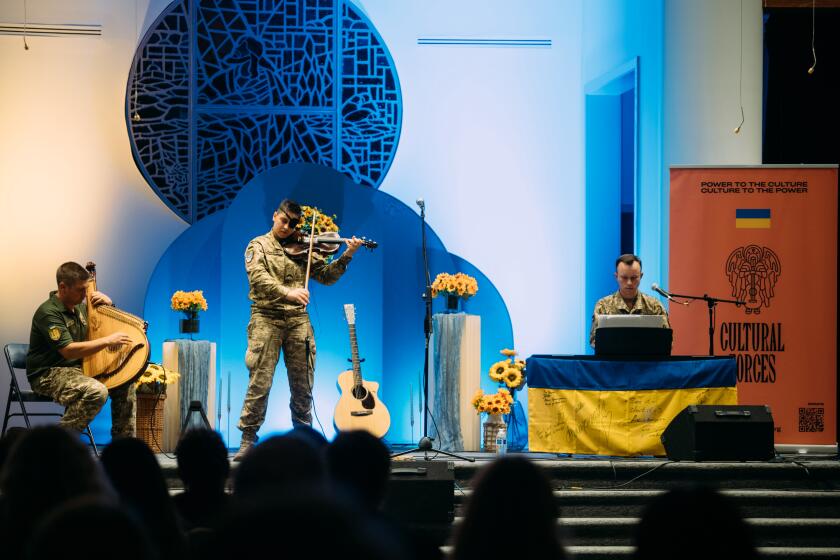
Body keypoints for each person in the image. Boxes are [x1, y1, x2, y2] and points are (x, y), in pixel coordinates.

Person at [234, 199, 363, 460]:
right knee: (259, 382)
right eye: (284, 221)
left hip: (298, 321)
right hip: (266, 318)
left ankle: (304, 442)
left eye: (293, 224)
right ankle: (248, 439)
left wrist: (347, 254)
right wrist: (288, 293)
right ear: (274, 216)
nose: (287, 227)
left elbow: (326, 276)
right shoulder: (257, 245)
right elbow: (258, 279)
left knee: (303, 385)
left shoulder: (304, 247)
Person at [25, 262, 136, 437]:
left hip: (78, 370)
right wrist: (107, 341)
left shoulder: (81, 308)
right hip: (48, 373)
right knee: (97, 392)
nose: (86, 295)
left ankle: (123, 446)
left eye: (86, 289)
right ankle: (55, 443)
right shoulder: (48, 312)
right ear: (63, 287)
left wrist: (109, 304)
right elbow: (68, 350)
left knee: (126, 382)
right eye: (80, 290)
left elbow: (102, 325)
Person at [589, 254, 670, 348]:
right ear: (616, 277)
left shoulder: (654, 305)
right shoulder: (603, 305)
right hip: (613, 361)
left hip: (647, 361)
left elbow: (667, 342)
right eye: (624, 277)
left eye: (634, 278)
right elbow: (594, 341)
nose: (629, 283)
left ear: (641, 276)